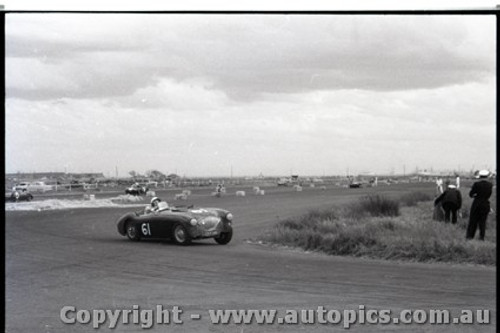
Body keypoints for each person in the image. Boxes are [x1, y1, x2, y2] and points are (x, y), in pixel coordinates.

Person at [466, 170, 493, 240]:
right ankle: (481, 237)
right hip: (485, 204)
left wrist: (476, 195)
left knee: (473, 221)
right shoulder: (490, 185)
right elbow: (489, 195)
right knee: (483, 222)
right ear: (487, 176)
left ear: (480, 176)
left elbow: (471, 194)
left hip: (477, 204)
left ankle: (470, 236)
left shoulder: (476, 184)